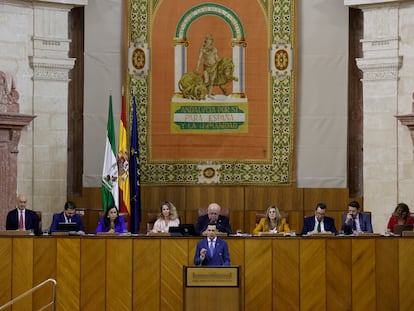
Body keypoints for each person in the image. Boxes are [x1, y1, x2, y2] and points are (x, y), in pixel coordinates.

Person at [195, 34, 219, 98]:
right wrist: (197, 68)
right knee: (206, 80)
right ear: (206, 41)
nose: (209, 41)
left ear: (211, 41)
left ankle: (209, 94)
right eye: (208, 40)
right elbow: (199, 59)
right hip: (206, 66)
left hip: (214, 66)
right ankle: (201, 92)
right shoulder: (202, 49)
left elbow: (216, 58)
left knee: (211, 81)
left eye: (210, 40)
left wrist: (220, 61)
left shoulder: (214, 49)